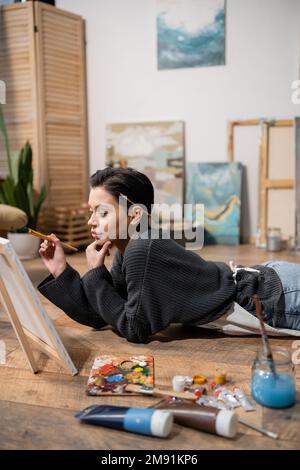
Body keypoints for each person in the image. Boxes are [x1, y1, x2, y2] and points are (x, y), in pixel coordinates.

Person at [37, 167, 300, 343]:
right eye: (91, 212)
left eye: (102, 212)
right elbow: (101, 314)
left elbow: (135, 329)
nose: (91, 222)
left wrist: (95, 273)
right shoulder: (126, 246)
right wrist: (61, 270)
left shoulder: (143, 248)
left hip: (272, 298)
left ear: (134, 215)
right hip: (265, 283)